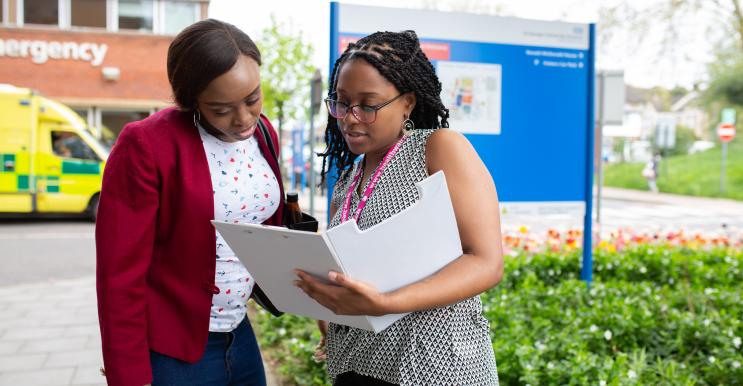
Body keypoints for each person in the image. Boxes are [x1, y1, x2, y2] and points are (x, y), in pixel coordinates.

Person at [294, 30, 504, 385]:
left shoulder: (438, 148)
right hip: (357, 367)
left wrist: (386, 302)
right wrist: (330, 307)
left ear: (407, 103)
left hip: (438, 368)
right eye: (342, 102)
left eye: (368, 105)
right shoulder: (346, 182)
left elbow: (486, 262)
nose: (350, 117)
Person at [95, 19, 283, 386]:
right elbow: (119, 274)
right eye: (221, 108)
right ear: (191, 98)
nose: (244, 118)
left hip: (241, 334)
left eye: (252, 98)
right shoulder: (146, 144)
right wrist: (128, 373)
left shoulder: (264, 133)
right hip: (174, 349)